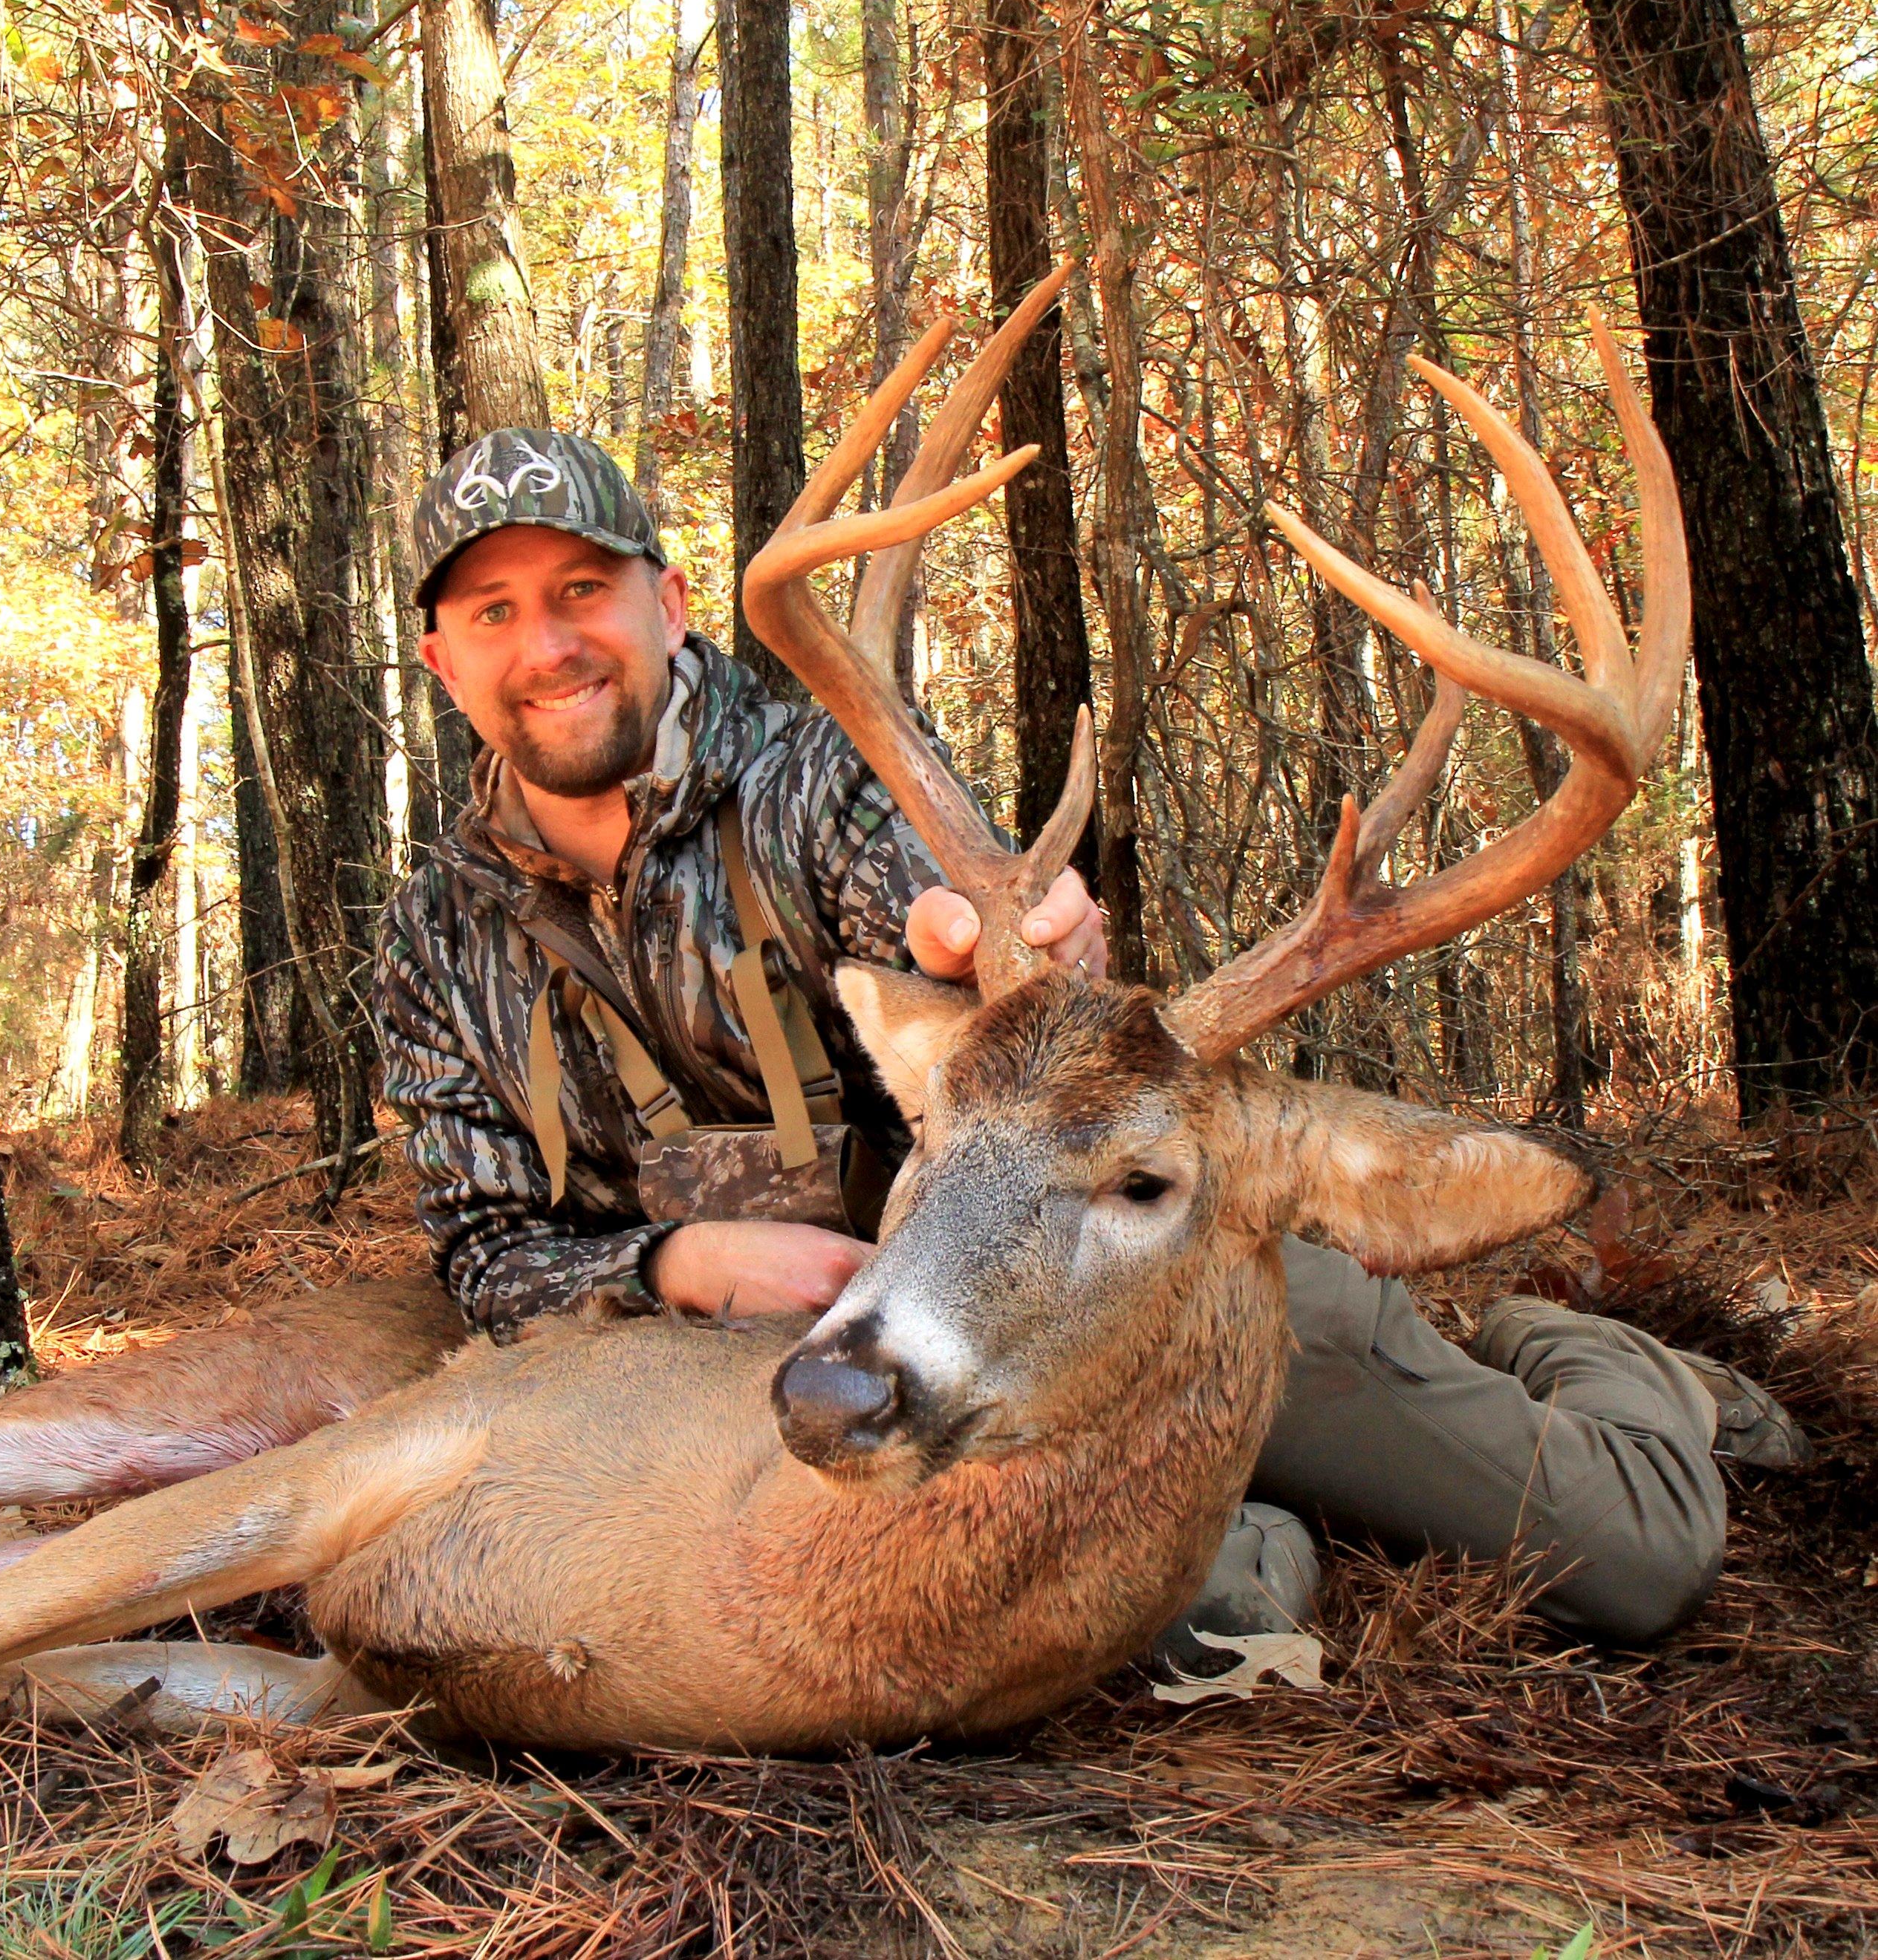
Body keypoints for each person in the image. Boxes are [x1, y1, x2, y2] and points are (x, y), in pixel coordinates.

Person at [373, 427, 1807, 1661]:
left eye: (581, 592)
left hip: (1129, 1286)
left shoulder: (816, 777)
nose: (547, 644)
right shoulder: (439, 938)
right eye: (492, 613)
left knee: (1634, 1559)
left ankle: (1566, 1354)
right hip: (836, 1381)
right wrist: (672, 1265)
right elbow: (486, 1253)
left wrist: (996, 946)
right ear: (442, 662)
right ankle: (1237, 1546)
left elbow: (957, 930)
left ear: (670, 603)